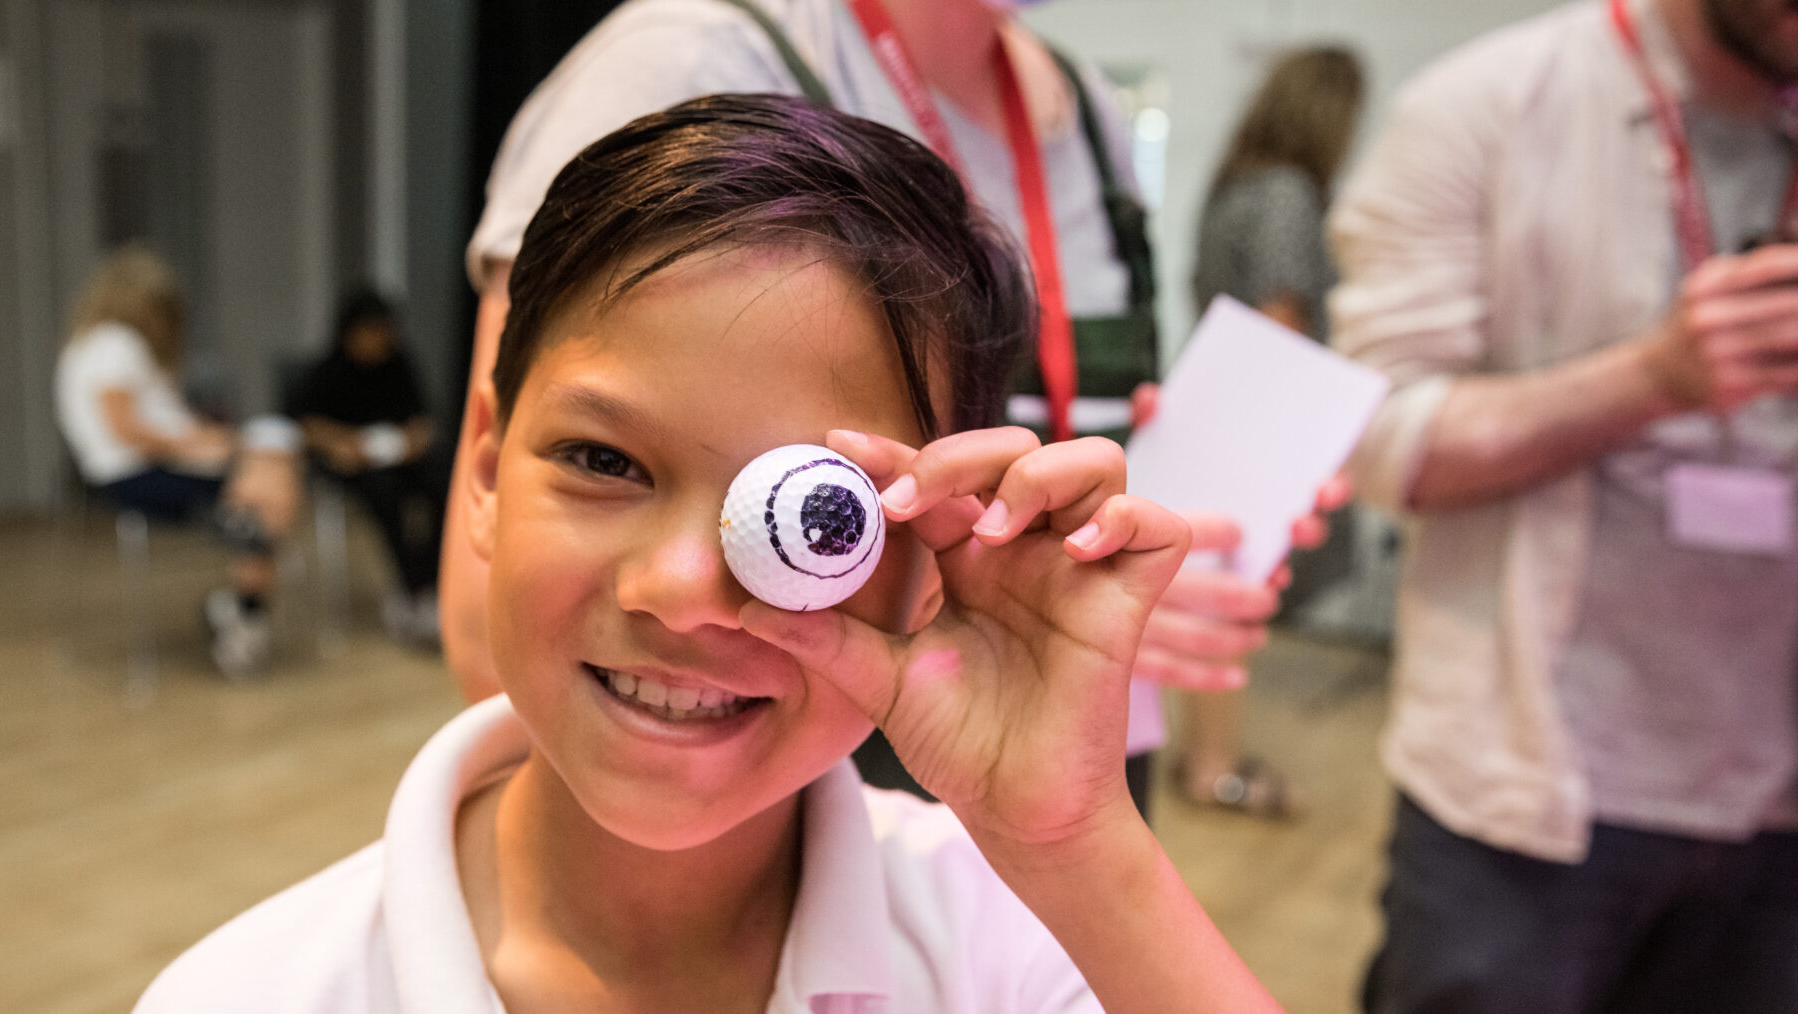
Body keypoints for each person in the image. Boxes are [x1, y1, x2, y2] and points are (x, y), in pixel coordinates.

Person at [134, 94, 1284, 1013]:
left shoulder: (1014, 945)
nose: (685, 594)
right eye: (602, 461)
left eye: (818, 517)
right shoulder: (250, 993)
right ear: (483, 467)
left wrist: (1076, 844)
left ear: (931, 553)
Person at [442, 0, 1330, 814]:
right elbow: (512, 579)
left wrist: (1129, 533)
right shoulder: (689, 57)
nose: (679, 585)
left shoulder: (1086, 113)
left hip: (1064, 741)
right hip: (804, 767)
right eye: (609, 466)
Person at [1330, 0, 1798, 1009]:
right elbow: (1376, 441)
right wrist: (1655, 380)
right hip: (1531, 800)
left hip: (1773, 801)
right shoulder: (1488, 105)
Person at [1178, 46, 1365, 819]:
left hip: (1217, 402)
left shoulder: (1235, 186)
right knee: (1228, 601)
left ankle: (1205, 758)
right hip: (1256, 416)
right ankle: (1211, 767)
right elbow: (1281, 317)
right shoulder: (1287, 193)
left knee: (1212, 596)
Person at [54, 246, 302, 678]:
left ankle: (242, 594)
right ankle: (244, 608)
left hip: (142, 466)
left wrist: (206, 439)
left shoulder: (94, 344)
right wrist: (200, 446)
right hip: (137, 472)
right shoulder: (117, 343)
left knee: (264, 477)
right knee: (269, 481)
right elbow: (127, 431)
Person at [288, 288, 446, 646]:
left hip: (400, 458)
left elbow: (423, 420)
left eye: (383, 332)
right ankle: (409, 587)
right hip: (354, 467)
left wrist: (412, 440)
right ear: (349, 333)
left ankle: (429, 583)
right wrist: (342, 442)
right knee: (384, 492)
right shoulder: (328, 369)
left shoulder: (400, 363)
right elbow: (304, 425)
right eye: (369, 332)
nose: (377, 341)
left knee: (443, 482)